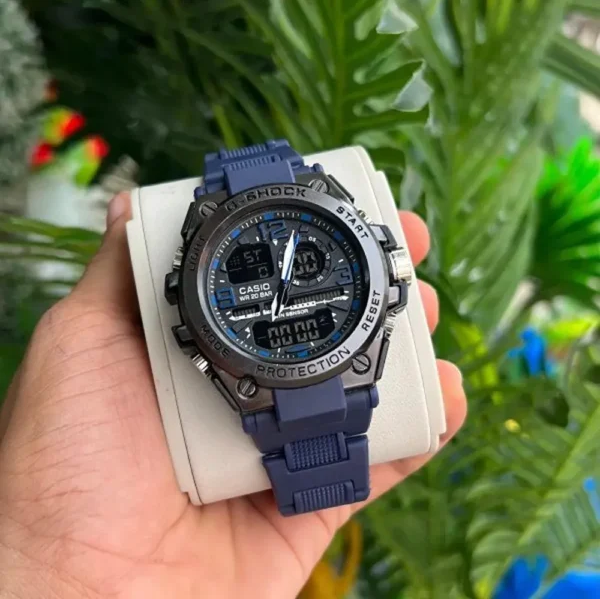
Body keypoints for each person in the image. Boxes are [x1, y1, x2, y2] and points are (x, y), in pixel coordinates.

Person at [0, 193, 466, 598]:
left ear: (390, 277)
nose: (283, 295)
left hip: (319, 374)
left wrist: (54, 576)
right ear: (183, 295)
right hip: (270, 388)